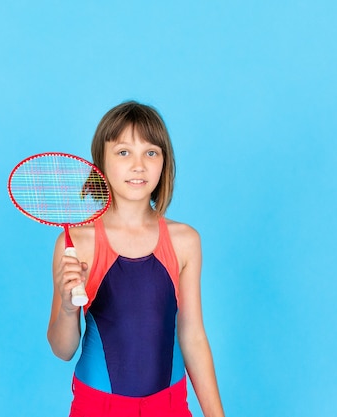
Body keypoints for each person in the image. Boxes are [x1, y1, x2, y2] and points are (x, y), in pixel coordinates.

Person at [47, 101, 225, 417]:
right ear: (101, 161)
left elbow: (193, 335)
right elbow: (63, 350)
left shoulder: (185, 241)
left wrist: (216, 414)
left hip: (169, 406)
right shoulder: (77, 244)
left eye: (151, 152)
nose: (139, 165)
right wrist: (66, 305)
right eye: (124, 152)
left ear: (164, 162)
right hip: (96, 407)